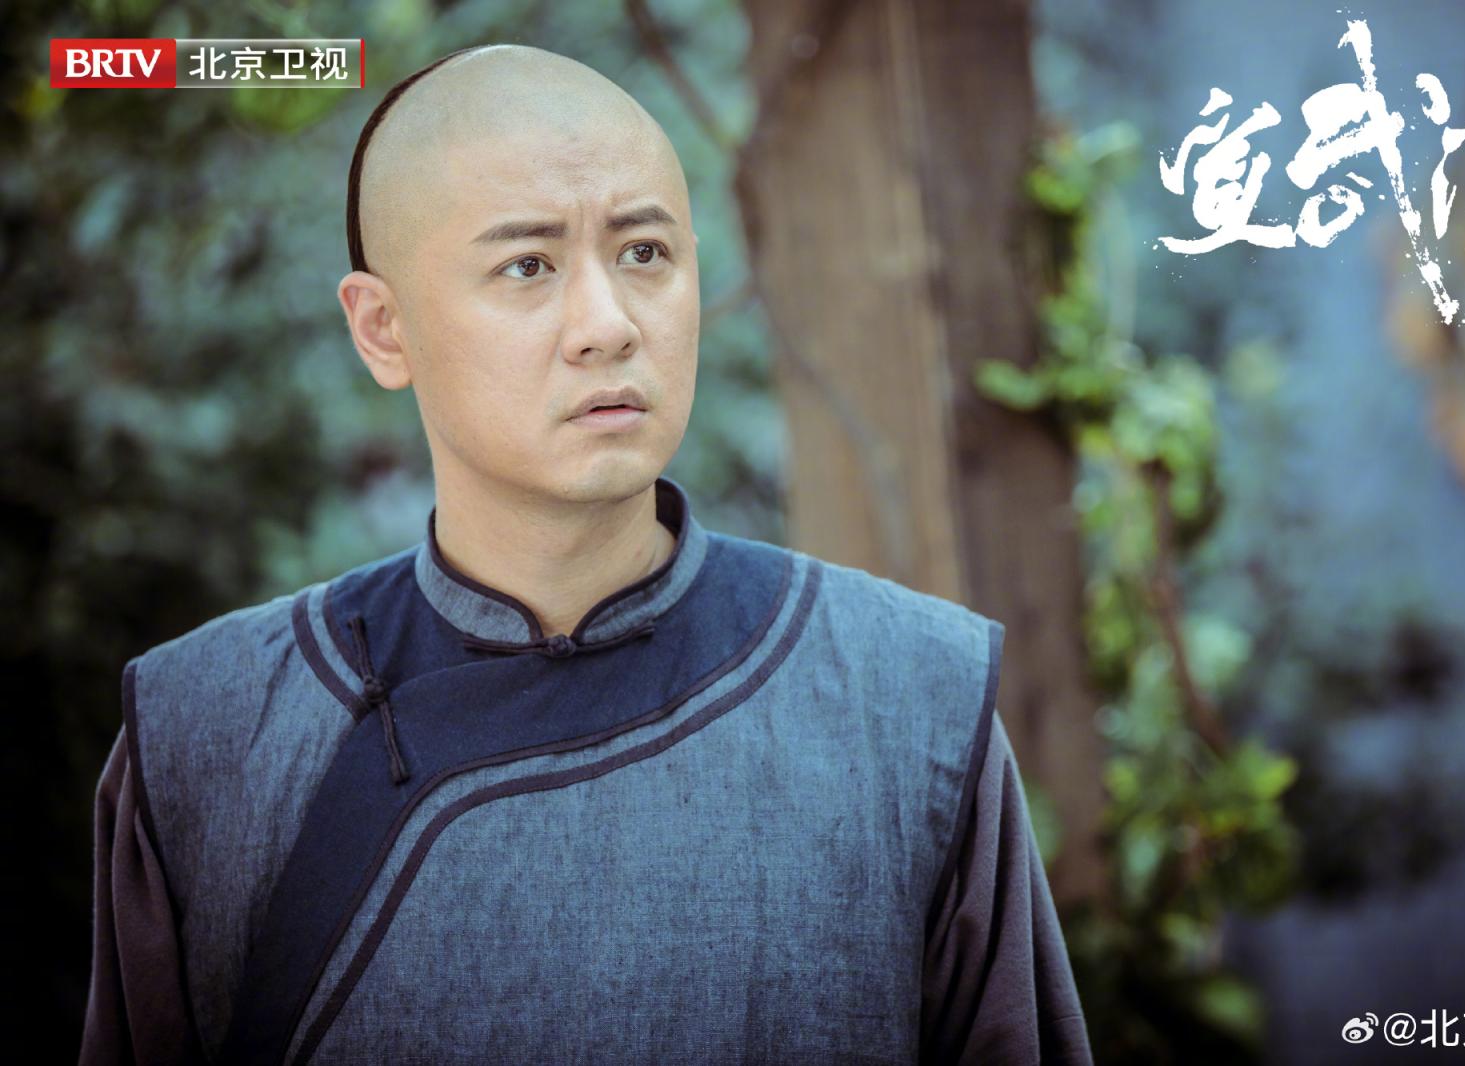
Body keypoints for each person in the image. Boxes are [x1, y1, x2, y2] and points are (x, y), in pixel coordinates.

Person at [78, 43, 1093, 1065]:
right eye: (527, 265)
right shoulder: (206, 732)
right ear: (383, 330)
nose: (607, 326)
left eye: (644, 253)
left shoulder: (910, 695)